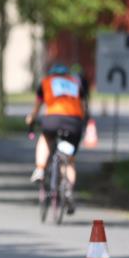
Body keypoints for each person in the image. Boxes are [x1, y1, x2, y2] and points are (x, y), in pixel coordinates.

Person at [24, 63, 86, 215]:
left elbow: (37, 108)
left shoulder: (46, 82)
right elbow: (83, 108)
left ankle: (39, 169)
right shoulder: (75, 83)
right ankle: (69, 188)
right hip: (74, 121)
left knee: (45, 139)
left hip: (53, 119)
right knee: (69, 159)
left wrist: (31, 119)